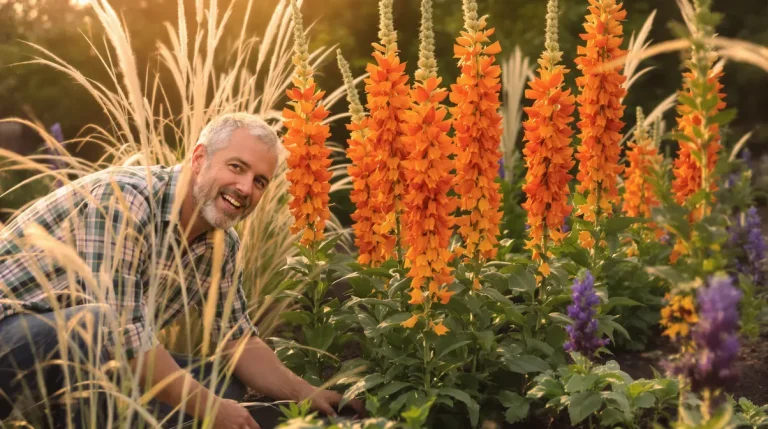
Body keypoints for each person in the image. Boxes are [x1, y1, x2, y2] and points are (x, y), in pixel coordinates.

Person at [0, 113, 363, 428]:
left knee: (222, 383)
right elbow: (121, 331)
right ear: (200, 158)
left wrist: (307, 393)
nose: (245, 188)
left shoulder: (221, 244)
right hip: (13, 339)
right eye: (236, 167)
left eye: (259, 181)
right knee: (96, 325)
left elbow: (236, 341)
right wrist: (209, 409)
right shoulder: (126, 200)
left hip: (83, 363)